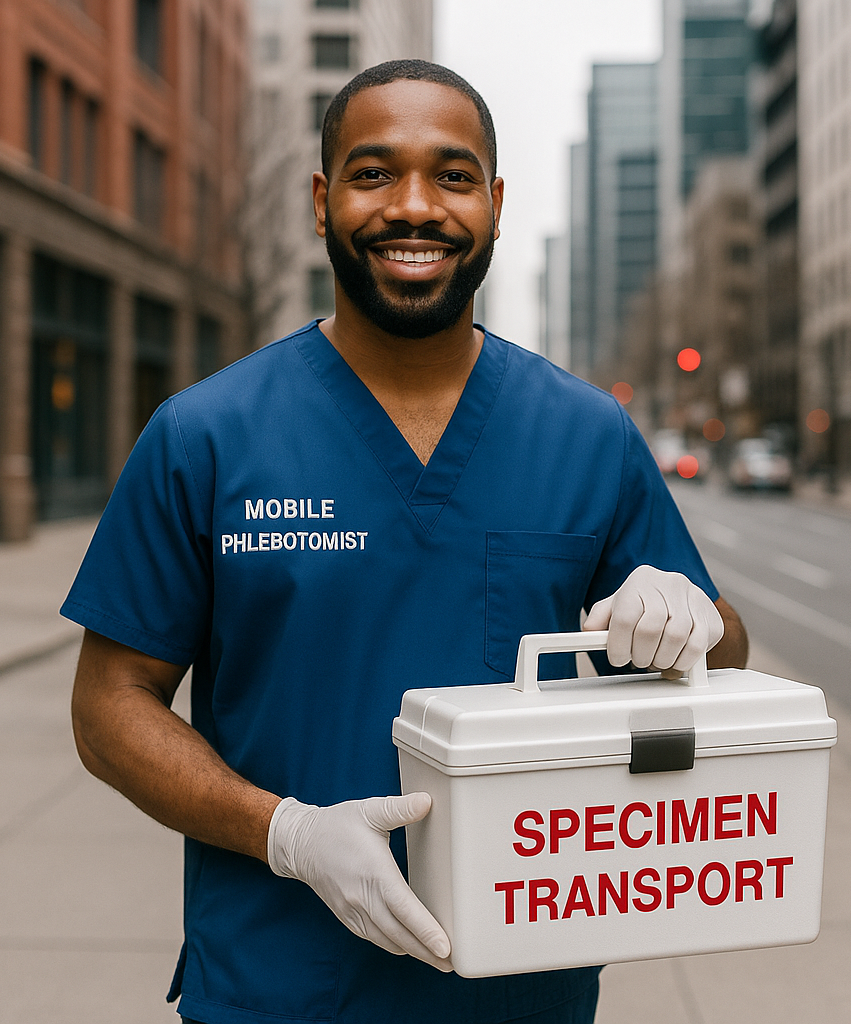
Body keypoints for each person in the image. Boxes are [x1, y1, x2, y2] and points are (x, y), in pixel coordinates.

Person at [65, 60, 748, 1024]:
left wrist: (693, 625)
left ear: (497, 205)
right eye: (374, 172)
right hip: (275, 991)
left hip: (525, 993)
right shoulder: (205, 435)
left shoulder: (588, 433)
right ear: (321, 200)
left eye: (454, 176)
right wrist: (285, 832)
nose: (414, 207)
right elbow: (107, 707)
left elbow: (723, 649)